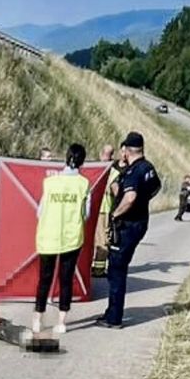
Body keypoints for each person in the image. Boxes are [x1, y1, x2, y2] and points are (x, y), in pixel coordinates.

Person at [98, 132, 160, 329]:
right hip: (140, 222)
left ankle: (114, 317)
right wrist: (118, 187)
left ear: (126, 150)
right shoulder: (148, 168)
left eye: (122, 150)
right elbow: (154, 188)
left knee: (116, 270)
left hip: (128, 225)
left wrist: (116, 214)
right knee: (118, 268)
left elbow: (130, 197)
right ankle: (111, 310)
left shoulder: (134, 171)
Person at [32, 143, 91, 335]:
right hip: (71, 237)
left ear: (66, 158)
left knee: (44, 279)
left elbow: (39, 211)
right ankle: (62, 322)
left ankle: (38, 319)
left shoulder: (50, 182)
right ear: (82, 161)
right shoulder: (84, 184)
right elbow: (86, 214)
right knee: (65, 279)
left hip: (48, 235)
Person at [92, 144, 118, 276]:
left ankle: (94, 266)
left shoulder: (92, 169)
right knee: (103, 241)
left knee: (95, 240)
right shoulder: (112, 172)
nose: (111, 157)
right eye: (110, 154)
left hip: (92, 209)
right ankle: (98, 269)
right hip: (103, 210)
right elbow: (117, 192)